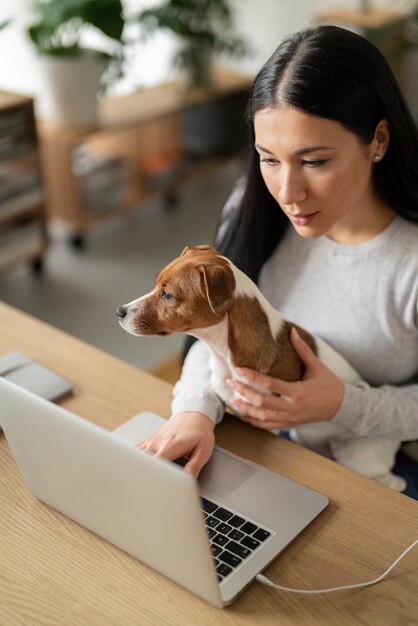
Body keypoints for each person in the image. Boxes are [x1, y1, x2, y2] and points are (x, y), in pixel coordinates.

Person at [140, 25, 418, 496]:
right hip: (265, 445)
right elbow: (209, 333)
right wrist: (193, 411)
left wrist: (342, 404)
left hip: (377, 460)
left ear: (379, 140)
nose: (288, 194)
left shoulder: (407, 264)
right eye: (269, 159)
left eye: (314, 161)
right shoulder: (253, 212)